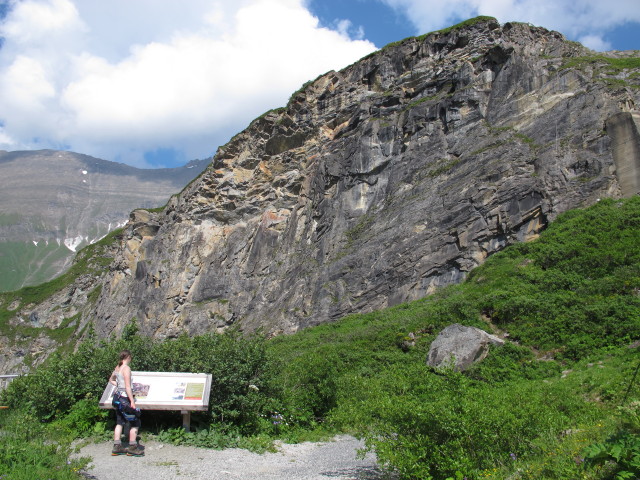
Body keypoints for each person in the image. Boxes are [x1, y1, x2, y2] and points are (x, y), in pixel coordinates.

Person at [109, 350, 144, 456]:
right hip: (124, 398)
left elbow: (111, 380)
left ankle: (117, 446)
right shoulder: (126, 368)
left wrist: (119, 386)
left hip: (117, 397)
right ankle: (132, 447)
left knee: (119, 421)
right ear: (128, 357)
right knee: (135, 421)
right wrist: (132, 401)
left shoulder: (117, 367)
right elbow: (128, 387)